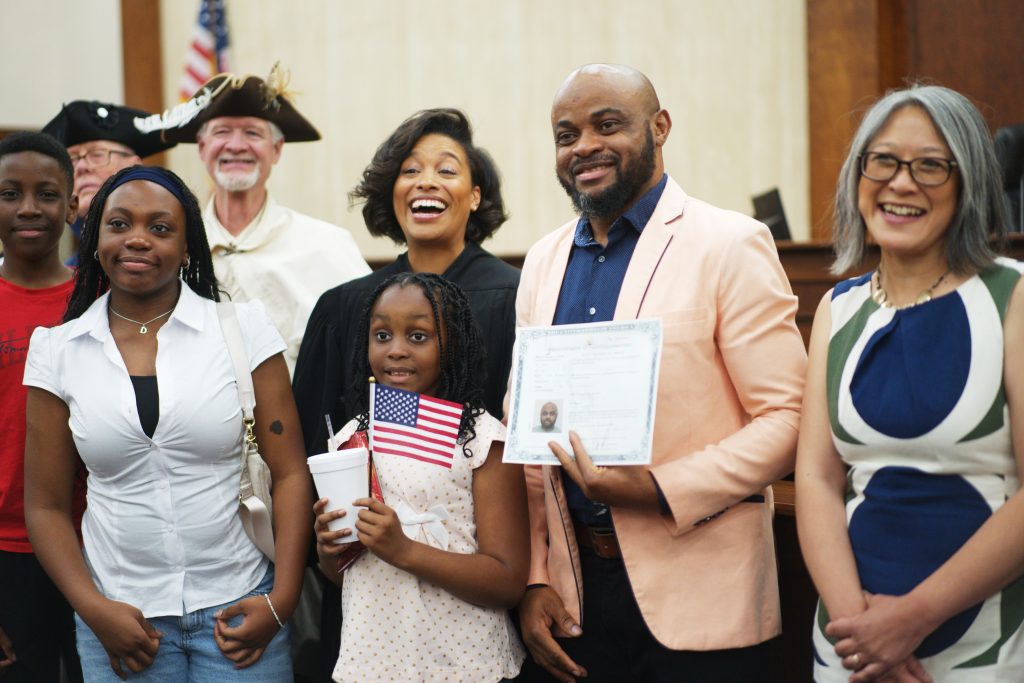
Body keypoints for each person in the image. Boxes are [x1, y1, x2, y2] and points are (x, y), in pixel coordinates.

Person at [514, 64, 806, 683]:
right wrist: (535, 578)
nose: (584, 146)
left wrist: (657, 488)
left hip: (702, 594)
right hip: (576, 602)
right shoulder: (541, 261)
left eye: (607, 125)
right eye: (566, 135)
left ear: (660, 126)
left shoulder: (730, 243)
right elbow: (531, 431)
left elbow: (788, 419)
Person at [22, 165, 312, 680]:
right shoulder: (57, 350)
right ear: (93, 239)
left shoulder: (242, 329)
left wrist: (282, 599)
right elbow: (44, 505)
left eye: (160, 228)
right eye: (118, 225)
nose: (137, 239)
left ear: (187, 245)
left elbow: (289, 472)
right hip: (121, 616)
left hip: (241, 606)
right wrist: (92, 608)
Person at [796, 85, 1024, 682]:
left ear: (968, 180)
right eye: (884, 160)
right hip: (850, 649)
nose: (902, 183)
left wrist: (909, 622)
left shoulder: (1015, 297)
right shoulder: (837, 310)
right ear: (859, 173)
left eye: (930, 165)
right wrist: (863, 638)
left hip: (982, 648)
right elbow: (817, 481)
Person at [292, 108, 520, 681]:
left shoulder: (518, 298)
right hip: (373, 612)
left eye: (447, 169)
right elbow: (310, 445)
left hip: (476, 602)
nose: (425, 181)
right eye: (410, 170)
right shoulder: (347, 307)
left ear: (474, 196)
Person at [314, 272, 529, 682]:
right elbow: (341, 574)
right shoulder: (351, 439)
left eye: (417, 337)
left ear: (454, 344)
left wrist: (404, 549)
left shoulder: (482, 442)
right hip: (374, 660)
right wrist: (329, 547)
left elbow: (507, 581)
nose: (395, 350)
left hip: (461, 662)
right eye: (381, 336)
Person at [162, 66, 370, 375]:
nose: (235, 145)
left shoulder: (326, 245)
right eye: (221, 132)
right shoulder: (171, 246)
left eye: (252, 132)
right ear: (202, 149)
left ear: (276, 150)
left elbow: (367, 342)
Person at [0, 132, 84, 682]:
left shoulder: (101, 305)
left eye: (47, 193)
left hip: (97, 544)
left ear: (73, 206)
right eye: (10, 193)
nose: (29, 208)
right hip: (6, 553)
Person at [42, 100, 176, 264]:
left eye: (97, 155)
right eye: (72, 160)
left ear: (134, 166)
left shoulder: (169, 256)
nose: (82, 166)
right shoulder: (68, 276)